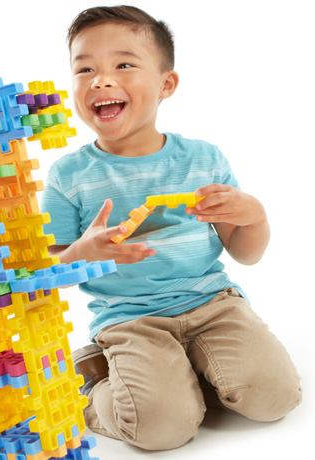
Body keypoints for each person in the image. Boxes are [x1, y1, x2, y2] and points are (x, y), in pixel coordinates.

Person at [41, 5, 302, 451]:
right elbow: (50, 268)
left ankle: (182, 376)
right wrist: (82, 253)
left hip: (214, 305)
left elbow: (246, 253)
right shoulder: (68, 176)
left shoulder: (204, 159)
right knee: (162, 429)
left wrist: (255, 215)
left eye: (123, 64)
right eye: (85, 69)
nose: (100, 80)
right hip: (131, 319)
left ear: (167, 84)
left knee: (275, 398)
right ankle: (91, 384)